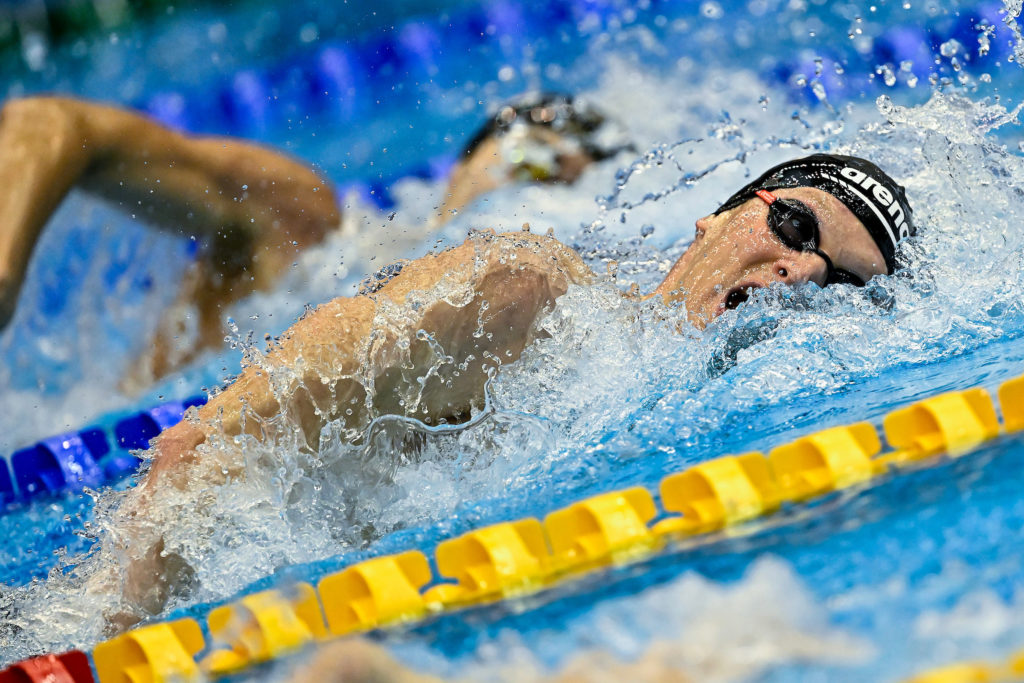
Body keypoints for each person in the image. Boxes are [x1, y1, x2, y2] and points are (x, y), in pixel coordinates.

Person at [98, 151, 914, 625]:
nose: (799, 268)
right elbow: (199, 451)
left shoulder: (688, 433)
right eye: (798, 227)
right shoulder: (523, 296)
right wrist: (113, 646)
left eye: (836, 283)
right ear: (718, 216)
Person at [0, 92, 627, 390]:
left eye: (573, 180)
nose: (547, 186)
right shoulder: (311, 230)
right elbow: (49, 122)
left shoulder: (561, 303)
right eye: (534, 158)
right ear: (460, 169)